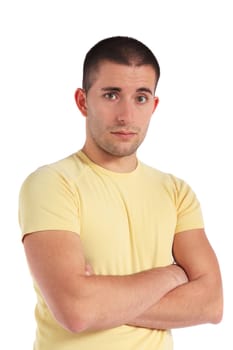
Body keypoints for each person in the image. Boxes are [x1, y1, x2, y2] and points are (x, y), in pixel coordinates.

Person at [19, 36, 223, 350]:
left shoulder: (176, 192)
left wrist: (103, 300)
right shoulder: (51, 184)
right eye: (112, 95)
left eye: (140, 98)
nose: (126, 114)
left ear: (153, 106)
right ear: (83, 101)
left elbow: (211, 304)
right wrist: (172, 276)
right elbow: (77, 310)